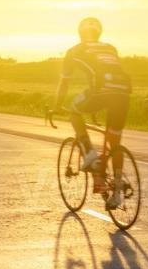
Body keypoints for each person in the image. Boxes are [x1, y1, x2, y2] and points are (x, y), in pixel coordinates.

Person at [54, 17, 132, 209]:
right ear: (99, 33)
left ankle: (89, 153)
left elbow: (64, 81)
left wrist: (56, 105)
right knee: (115, 142)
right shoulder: (110, 48)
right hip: (123, 93)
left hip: (101, 91)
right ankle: (117, 186)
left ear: (80, 33)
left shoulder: (74, 51)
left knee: (74, 110)